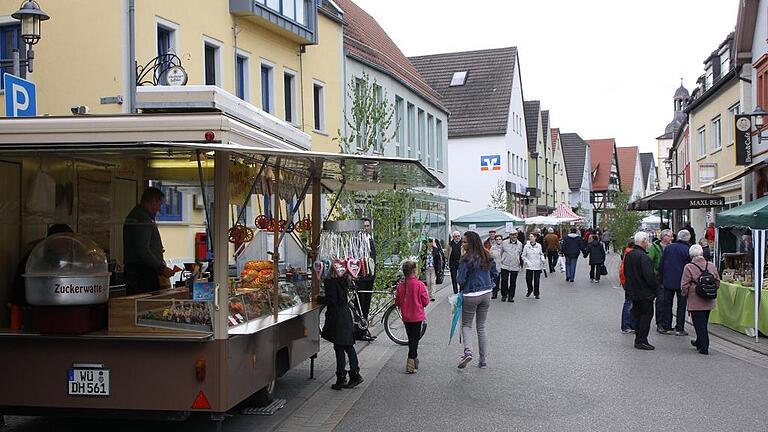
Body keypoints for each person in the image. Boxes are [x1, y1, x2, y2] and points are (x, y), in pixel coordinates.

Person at [123, 187, 177, 296]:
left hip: (138, 271)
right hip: (142, 273)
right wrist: (161, 268)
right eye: (159, 204)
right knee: (146, 305)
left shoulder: (137, 215)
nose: (159, 208)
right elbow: (142, 249)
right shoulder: (143, 219)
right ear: (153, 201)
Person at [456, 231, 498, 369]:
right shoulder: (487, 255)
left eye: (465, 242)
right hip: (486, 293)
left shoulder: (466, 259)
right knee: (481, 326)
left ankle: (468, 351)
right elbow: (495, 273)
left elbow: (460, 280)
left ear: (471, 243)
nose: (463, 244)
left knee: (467, 325)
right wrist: (489, 282)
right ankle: (483, 360)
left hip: (471, 294)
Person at [322, 277, 364, 390]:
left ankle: (342, 377)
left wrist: (320, 299)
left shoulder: (330, 281)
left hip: (337, 318)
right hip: (345, 315)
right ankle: (353, 374)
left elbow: (331, 300)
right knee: (347, 346)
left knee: (339, 347)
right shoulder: (343, 279)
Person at [681, 244, 720, 355]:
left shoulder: (689, 267)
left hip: (695, 300)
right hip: (709, 299)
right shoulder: (711, 265)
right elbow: (717, 281)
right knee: (703, 322)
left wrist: (685, 294)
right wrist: (712, 289)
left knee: (699, 325)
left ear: (691, 255)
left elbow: (684, 285)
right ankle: (699, 341)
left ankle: (704, 346)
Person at [623, 231, 660, 350]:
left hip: (633, 290)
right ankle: (641, 340)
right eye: (647, 240)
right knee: (646, 316)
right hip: (645, 292)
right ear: (644, 241)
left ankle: (639, 338)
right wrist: (655, 288)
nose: (648, 243)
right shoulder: (644, 257)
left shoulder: (630, 254)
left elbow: (626, 272)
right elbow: (649, 276)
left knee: (637, 315)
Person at [394, 259, 430, 373]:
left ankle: (414, 359)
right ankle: (411, 360)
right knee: (415, 339)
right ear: (415, 271)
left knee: (411, 338)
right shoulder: (420, 285)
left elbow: (397, 302)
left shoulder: (401, 286)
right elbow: (425, 301)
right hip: (417, 316)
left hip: (406, 316)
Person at [658, 230, 692, 336]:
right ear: (688, 238)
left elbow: (661, 264)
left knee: (667, 304)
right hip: (682, 282)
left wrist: (662, 278)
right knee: (681, 306)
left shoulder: (668, 248)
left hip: (668, 281)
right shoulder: (687, 250)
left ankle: (666, 326)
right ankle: (679, 328)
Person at [354, 218, 377, 341]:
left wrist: (373, 274)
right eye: (364, 226)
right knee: (360, 304)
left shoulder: (370, 239)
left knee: (366, 304)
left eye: (368, 226)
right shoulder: (356, 241)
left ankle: (363, 329)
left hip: (370, 277)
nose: (366, 228)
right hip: (361, 277)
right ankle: (358, 331)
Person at [648, 228, 673, 332]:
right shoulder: (655, 247)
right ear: (664, 237)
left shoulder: (671, 247)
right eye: (670, 236)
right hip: (659, 278)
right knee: (661, 301)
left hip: (669, 278)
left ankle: (667, 323)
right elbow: (649, 261)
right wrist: (655, 273)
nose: (672, 238)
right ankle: (660, 323)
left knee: (668, 302)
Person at [499, 231, 523, 302]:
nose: (513, 236)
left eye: (515, 235)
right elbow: (501, 251)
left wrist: (518, 262)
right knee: (504, 280)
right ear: (509, 235)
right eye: (512, 235)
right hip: (505, 264)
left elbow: (519, 253)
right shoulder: (504, 242)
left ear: (517, 235)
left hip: (515, 265)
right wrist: (503, 259)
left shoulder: (520, 244)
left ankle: (511, 296)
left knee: (513, 282)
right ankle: (504, 295)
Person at [619, 238, 635, 334]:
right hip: (629, 281)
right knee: (629, 303)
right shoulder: (630, 254)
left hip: (626, 280)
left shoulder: (627, 252)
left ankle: (629, 324)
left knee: (630, 302)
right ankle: (627, 325)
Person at [522, 233, 545, 299]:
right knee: (528, 279)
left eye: (532, 236)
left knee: (537, 280)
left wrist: (543, 259)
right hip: (529, 265)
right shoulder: (526, 246)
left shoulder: (539, 245)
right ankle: (530, 289)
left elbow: (541, 254)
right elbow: (523, 256)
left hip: (537, 265)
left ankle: (536, 293)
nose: (530, 238)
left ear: (535, 238)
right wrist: (526, 261)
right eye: (530, 236)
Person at [489, 234, 504, 299]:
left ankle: (504, 293)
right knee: (496, 280)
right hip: (495, 266)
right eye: (497, 239)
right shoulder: (493, 247)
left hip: (503, 265)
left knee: (504, 280)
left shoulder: (504, 247)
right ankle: (494, 293)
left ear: (502, 240)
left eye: (499, 239)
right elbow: (490, 256)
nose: (498, 240)